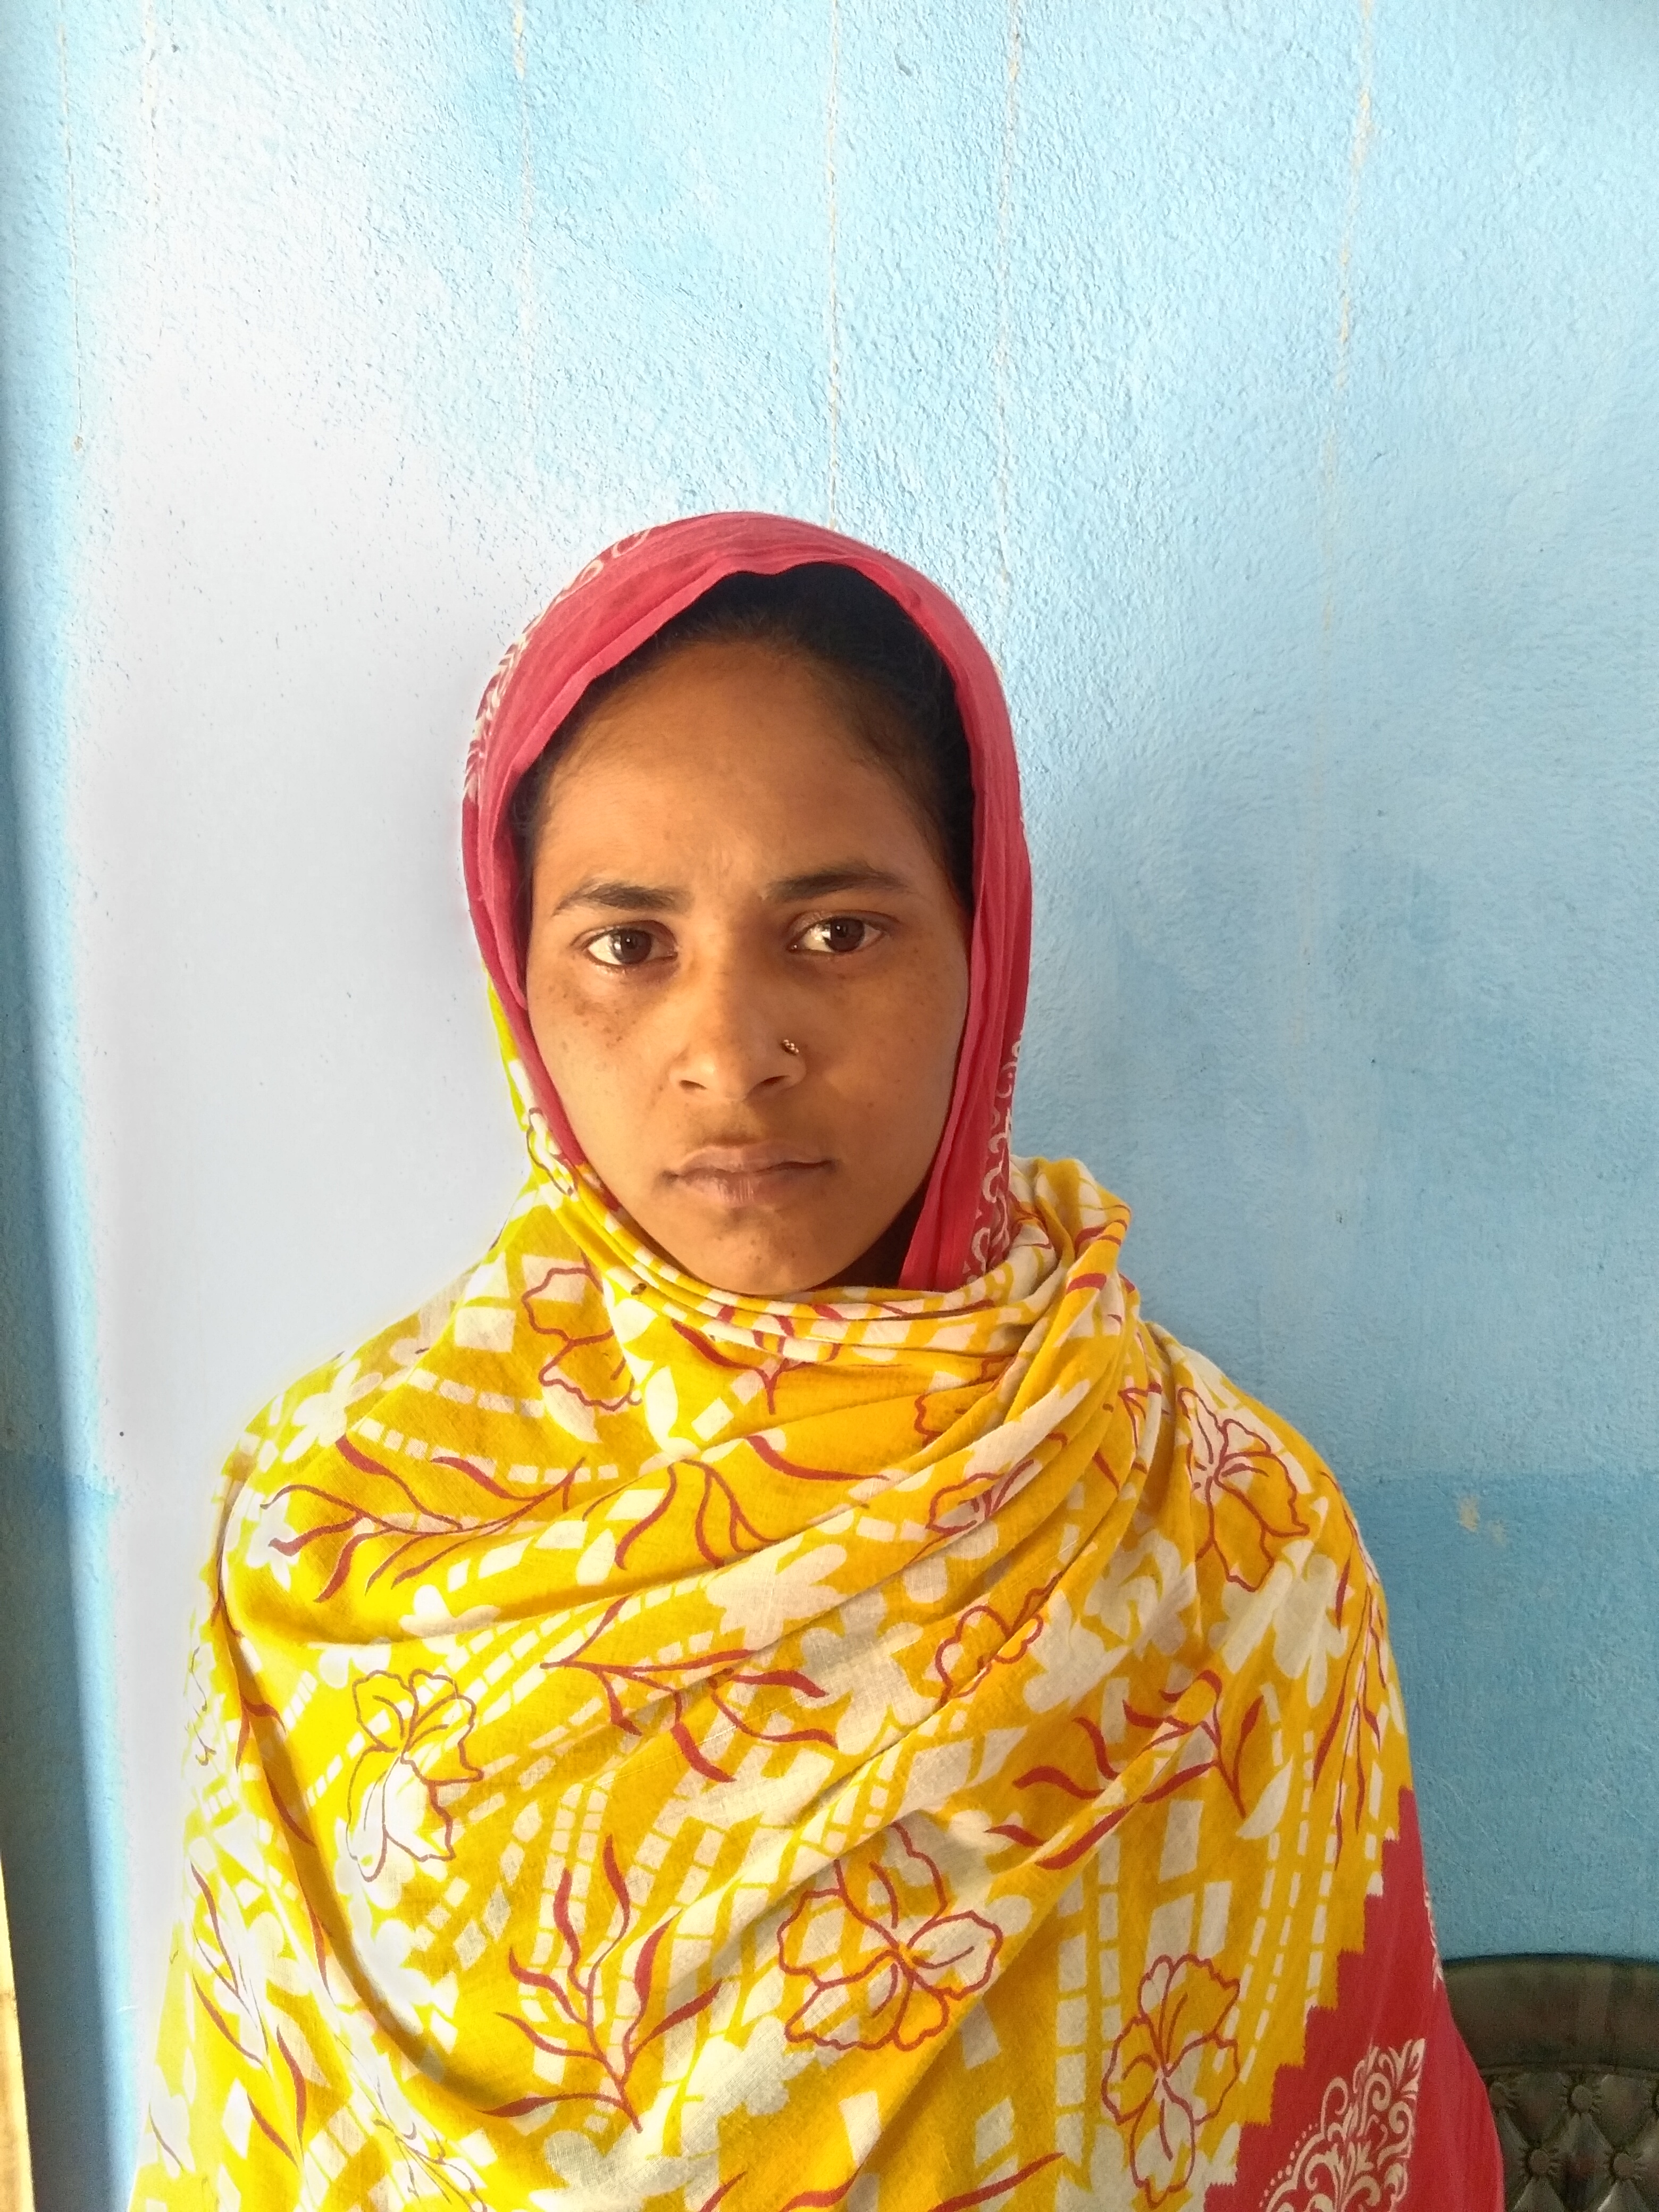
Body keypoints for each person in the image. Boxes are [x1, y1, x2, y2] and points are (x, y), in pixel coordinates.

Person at [131, 514, 1501, 2211]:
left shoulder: (1228, 1540)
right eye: (627, 946)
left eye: (839, 933)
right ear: (516, 975)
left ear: (983, 942)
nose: (730, 1052)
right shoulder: (335, 1534)